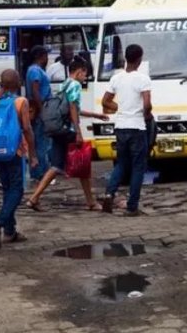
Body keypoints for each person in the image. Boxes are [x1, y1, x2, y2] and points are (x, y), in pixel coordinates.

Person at [26, 58, 108, 212]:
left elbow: (73, 109)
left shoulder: (65, 84)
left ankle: (34, 198)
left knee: (56, 166)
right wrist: (78, 132)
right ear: (79, 72)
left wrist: (96, 115)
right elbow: (72, 108)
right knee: (83, 166)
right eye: (85, 75)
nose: (85, 78)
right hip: (68, 130)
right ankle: (91, 202)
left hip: (58, 129)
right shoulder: (75, 85)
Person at [0, 69, 38, 250]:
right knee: (17, 190)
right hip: (14, 152)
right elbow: (27, 130)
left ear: (1, 84)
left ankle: (10, 231)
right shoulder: (21, 102)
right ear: (18, 84)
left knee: (8, 190)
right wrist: (33, 154)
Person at [101, 44, 153, 216]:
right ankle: (132, 206)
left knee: (122, 163)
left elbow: (105, 101)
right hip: (137, 126)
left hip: (121, 126)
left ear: (126, 58)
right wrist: (146, 114)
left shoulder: (117, 78)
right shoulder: (143, 79)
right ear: (139, 59)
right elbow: (147, 104)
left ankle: (109, 193)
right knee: (138, 166)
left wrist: (120, 108)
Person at [25, 46, 52, 181]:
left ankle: (40, 172)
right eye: (46, 55)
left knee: (39, 141)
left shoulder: (34, 70)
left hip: (39, 107)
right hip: (40, 108)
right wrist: (42, 109)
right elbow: (35, 91)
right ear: (41, 56)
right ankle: (40, 173)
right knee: (41, 142)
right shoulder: (35, 70)